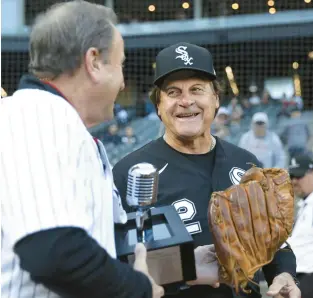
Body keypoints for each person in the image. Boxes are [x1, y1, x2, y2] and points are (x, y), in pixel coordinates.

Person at [0, 2, 165, 297]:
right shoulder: (36, 114)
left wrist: (186, 263)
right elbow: (53, 251)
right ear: (94, 62)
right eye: (120, 64)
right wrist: (139, 291)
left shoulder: (62, 125)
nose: (123, 80)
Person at [113, 42, 301, 298]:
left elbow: (272, 240)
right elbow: (113, 267)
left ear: (215, 99)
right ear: (158, 105)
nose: (186, 101)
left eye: (197, 89)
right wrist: (182, 270)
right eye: (173, 92)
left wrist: (283, 274)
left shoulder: (246, 163)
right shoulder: (130, 174)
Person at [287, 154, 313, 298]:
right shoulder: (304, 205)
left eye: (299, 175)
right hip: (296, 277)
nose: (294, 181)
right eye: (291, 176)